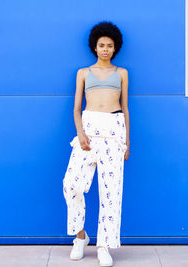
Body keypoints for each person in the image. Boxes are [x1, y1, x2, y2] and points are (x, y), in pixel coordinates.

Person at [62, 21, 130, 267]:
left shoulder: (121, 73)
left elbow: (124, 108)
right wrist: (80, 133)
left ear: (115, 48)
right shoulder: (83, 73)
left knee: (111, 193)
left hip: (114, 132)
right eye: (101, 45)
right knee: (71, 184)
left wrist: (127, 142)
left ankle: (104, 245)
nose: (105, 49)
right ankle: (80, 236)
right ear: (94, 46)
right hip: (88, 132)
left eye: (109, 46)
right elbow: (77, 108)